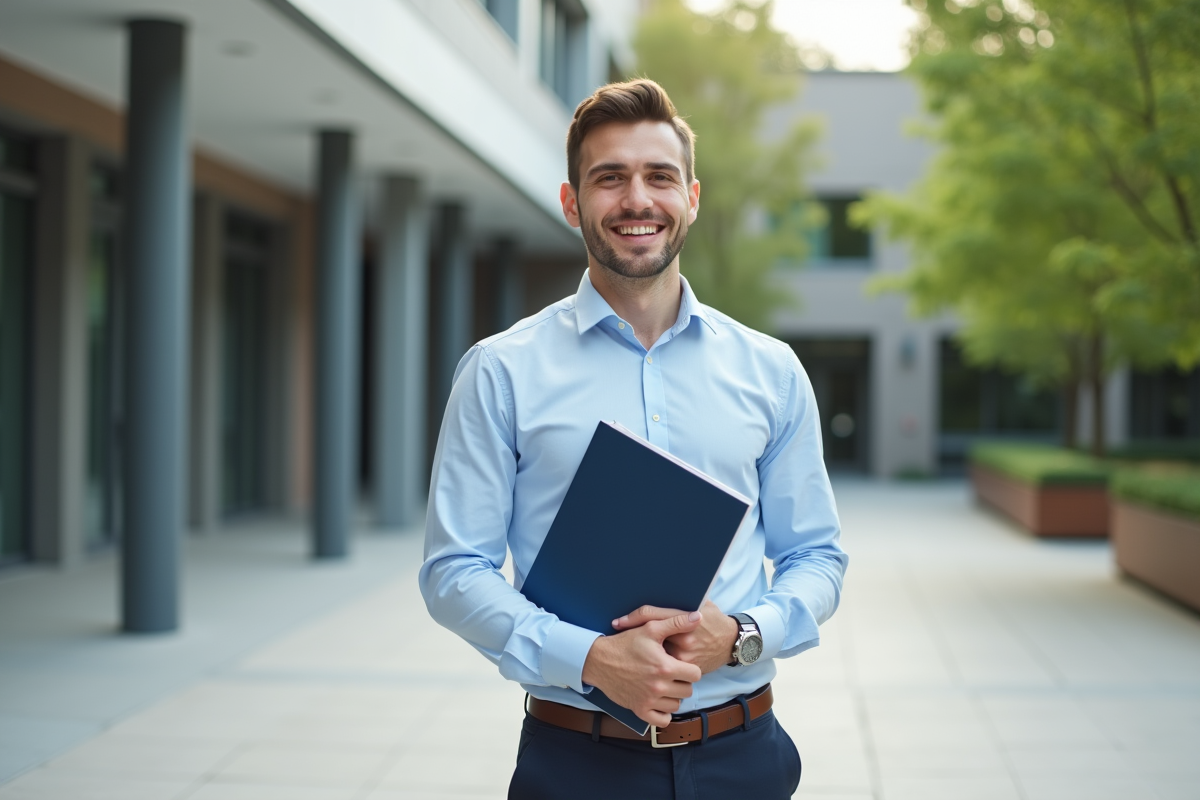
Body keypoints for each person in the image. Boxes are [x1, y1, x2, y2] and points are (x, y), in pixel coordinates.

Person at [419, 78, 847, 800]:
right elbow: (454, 571)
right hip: (577, 761)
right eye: (609, 178)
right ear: (571, 202)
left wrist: (740, 633)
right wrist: (589, 658)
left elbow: (817, 556)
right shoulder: (502, 371)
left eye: (659, 177)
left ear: (692, 198)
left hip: (742, 756)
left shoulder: (769, 371)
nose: (637, 200)